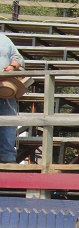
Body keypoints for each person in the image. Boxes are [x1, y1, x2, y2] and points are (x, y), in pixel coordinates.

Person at [0, 34, 23, 163]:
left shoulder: (4, 39)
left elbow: (18, 58)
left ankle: (8, 158)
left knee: (8, 124)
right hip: (4, 89)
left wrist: (12, 66)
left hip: (5, 90)